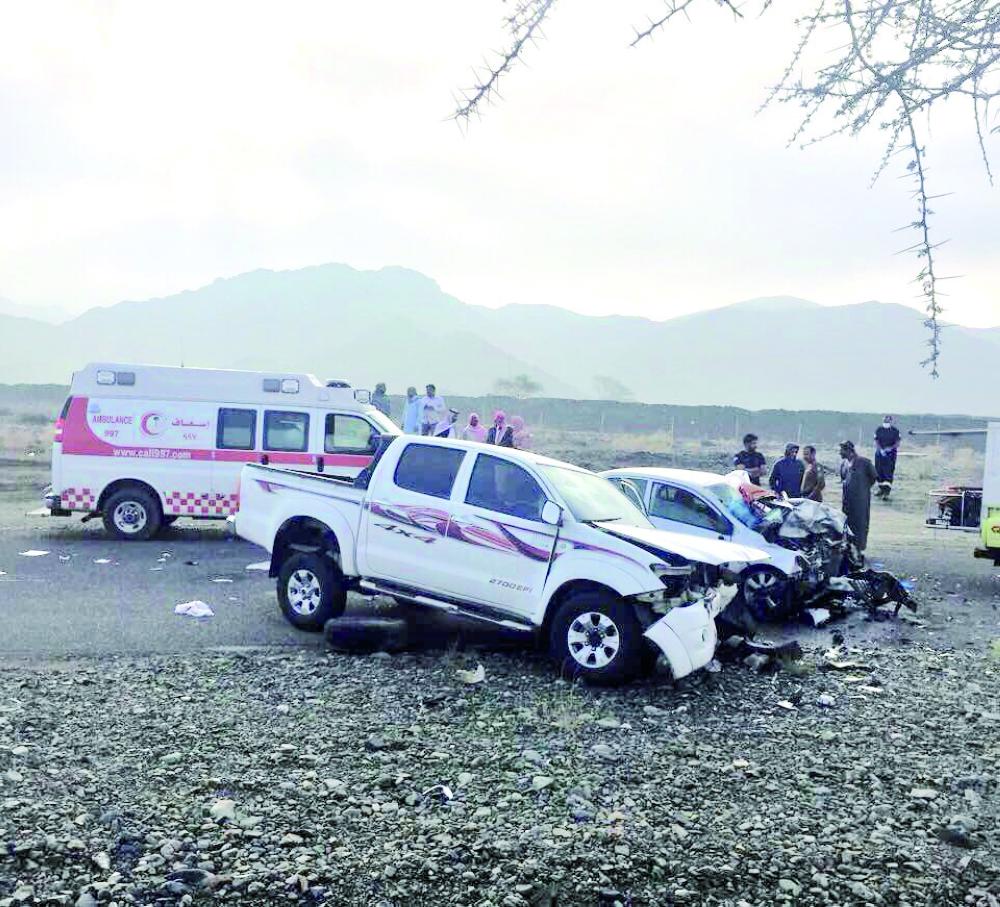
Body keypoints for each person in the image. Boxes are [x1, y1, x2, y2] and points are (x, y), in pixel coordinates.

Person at [839, 440, 877, 552]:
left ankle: (860, 549)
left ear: (849, 451)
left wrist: (863, 489)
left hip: (861, 501)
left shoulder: (864, 463)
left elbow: (873, 477)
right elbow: (843, 479)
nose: (840, 453)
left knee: (860, 524)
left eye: (842, 450)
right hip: (847, 502)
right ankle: (849, 548)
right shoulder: (844, 465)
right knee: (847, 524)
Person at [874, 414, 901, 499]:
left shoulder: (895, 431)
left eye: (888, 420)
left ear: (890, 421)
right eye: (885, 419)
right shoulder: (879, 430)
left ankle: (886, 493)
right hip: (880, 454)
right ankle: (881, 490)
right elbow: (876, 441)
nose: (886, 421)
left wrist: (890, 449)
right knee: (879, 472)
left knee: (888, 472)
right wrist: (881, 450)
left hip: (890, 455)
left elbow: (897, 443)